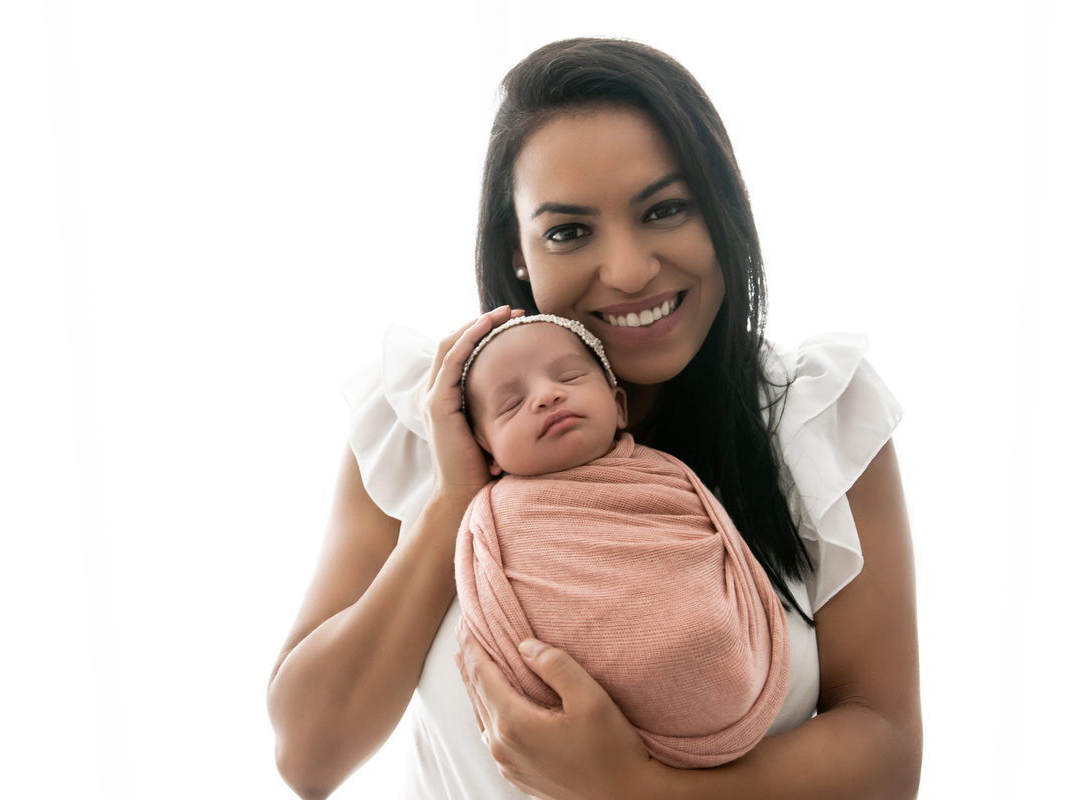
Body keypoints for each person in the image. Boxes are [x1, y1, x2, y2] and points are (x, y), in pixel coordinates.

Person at [267, 37, 921, 800]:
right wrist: (457, 500)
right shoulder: (419, 420)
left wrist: (636, 787)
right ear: (517, 252)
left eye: (665, 209)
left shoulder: (817, 419)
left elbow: (886, 749)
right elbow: (307, 758)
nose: (629, 269)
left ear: (722, 212)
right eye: (570, 231)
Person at [455, 313, 790, 769]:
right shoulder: (497, 516)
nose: (546, 396)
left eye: (569, 376)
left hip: (719, 659)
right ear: (488, 451)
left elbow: (707, 551)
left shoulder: (665, 477)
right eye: (512, 404)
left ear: (618, 406)